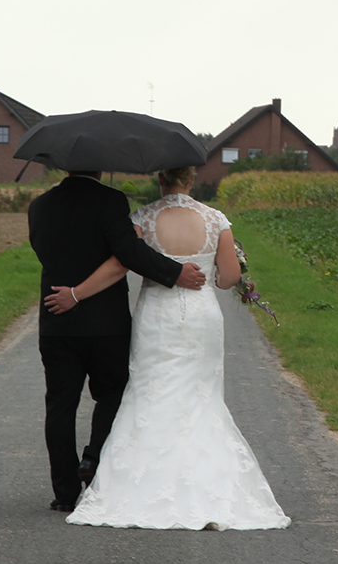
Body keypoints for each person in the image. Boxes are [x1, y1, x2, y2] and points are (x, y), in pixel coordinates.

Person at [44, 164, 290, 531]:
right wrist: (216, 276)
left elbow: (120, 264)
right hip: (201, 315)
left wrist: (78, 294)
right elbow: (229, 278)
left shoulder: (143, 216)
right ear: (191, 179)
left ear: (161, 179)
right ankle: (209, 483)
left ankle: (130, 482)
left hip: (157, 314)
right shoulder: (216, 219)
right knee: (200, 395)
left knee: (151, 392)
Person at [27, 168, 206, 513]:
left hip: (56, 319)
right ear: (98, 167)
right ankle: (93, 462)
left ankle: (64, 494)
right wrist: (174, 272)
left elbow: (43, 250)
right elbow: (128, 252)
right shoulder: (110, 200)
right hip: (105, 323)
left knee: (60, 407)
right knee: (111, 395)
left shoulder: (40, 205)